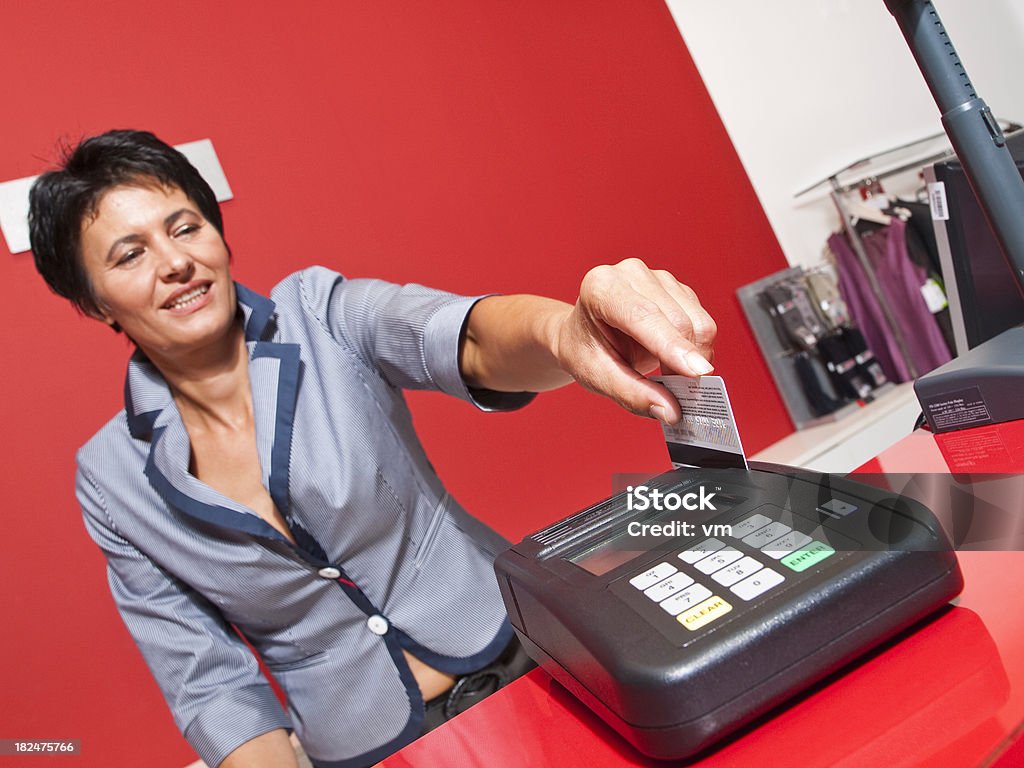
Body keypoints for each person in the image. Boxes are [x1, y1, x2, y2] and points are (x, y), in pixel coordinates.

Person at [29, 130, 717, 768]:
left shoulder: (318, 312)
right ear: (95, 305)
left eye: (186, 227)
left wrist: (565, 332)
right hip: (371, 752)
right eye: (130, 254)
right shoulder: (110, 478)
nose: (176, 261)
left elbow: (466, 337)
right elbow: (208, 681)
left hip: (531, 661)